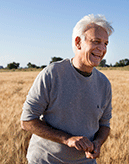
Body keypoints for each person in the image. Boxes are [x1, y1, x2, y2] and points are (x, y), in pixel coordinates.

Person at [21, 14, 114, 164]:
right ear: (78, 42)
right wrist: (67, 139)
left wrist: (98, 142)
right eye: (96, 41)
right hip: (46, 160)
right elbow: (27, 121)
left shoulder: (104, 83)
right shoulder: (52, 74)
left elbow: (104, 125)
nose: (102, 49)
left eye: (105, 43)